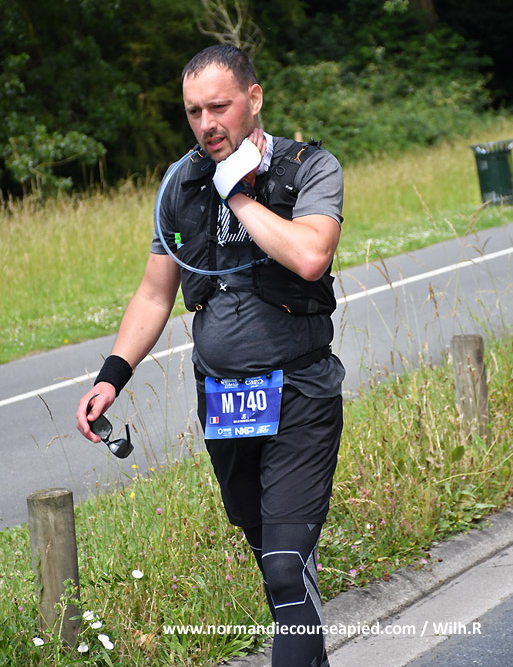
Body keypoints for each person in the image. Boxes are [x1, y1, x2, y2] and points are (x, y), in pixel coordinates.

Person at [76, 45, 345, 667]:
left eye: (219, 107)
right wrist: (111, 378)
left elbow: (311, 256)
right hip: (225, 401)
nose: (206, 124)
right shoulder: (181, 183)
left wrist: (239, 196)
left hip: (301, 394)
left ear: (254, 98)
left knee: (287, 566)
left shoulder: (309, 167)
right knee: (273, 562)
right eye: (194, 111)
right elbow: (154, 293)